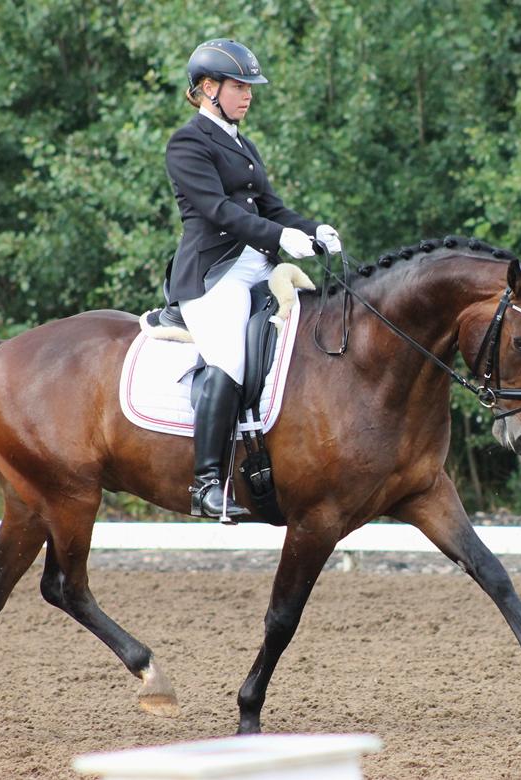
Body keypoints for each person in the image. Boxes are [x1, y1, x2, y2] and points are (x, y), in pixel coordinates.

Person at [164, 38, 342, 519]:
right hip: (213, 275)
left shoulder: (244, 144)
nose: (248, 95)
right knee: (229, 359)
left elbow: (271, 209)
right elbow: (219, 211)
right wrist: (281, 236)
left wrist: (313, 230)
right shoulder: (187, 143)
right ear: (208, 88)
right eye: (239, 86)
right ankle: (206, 483)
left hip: (260, 268)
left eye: (250, 88)